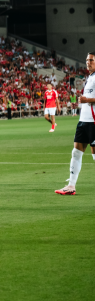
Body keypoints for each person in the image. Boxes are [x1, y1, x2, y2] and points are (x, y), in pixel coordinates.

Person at [55, 53, 95, 195]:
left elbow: (90, 100)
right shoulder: (89, 78)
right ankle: (71, 186)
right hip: (83, 121)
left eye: (91, 60)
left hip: (93, 122)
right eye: (87, 60)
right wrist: (81, 103)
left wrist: (87, 100)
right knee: (76, 152)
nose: (88, 62)